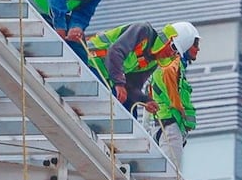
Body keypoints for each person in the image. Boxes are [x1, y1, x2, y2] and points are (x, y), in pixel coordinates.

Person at [86, 21, 200, 117]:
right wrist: (119, 83)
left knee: (129, 112)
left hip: (105, 76)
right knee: (113, 98)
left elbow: (131, 87)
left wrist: (146, 101)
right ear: (166, 38)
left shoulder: (152, 62)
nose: (170, 53)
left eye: (175, 52)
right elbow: (115, 52)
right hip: (90, 61)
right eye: (173, 47)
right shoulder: (143, 31)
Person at [148, 36, 200, 168]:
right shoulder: (168, 69)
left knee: (171, 176)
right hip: (169, 128)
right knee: (172, 178)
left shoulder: (175, 69)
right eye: (195, 45)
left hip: (168, 127)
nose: (198, 49)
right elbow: (174, 100)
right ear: (185, 45)